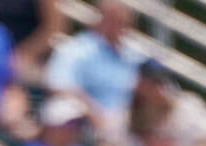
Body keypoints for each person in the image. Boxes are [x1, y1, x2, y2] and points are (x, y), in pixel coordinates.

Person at [45, 0, 144, 135]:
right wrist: (92, 111)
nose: (118, 26)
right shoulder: (76, 48)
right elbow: (59, 85)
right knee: (63, 108)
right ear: (100, 18)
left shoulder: (134, 55)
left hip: (126, 121)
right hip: (85, 120)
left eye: (122, 22)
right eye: (112, 19)